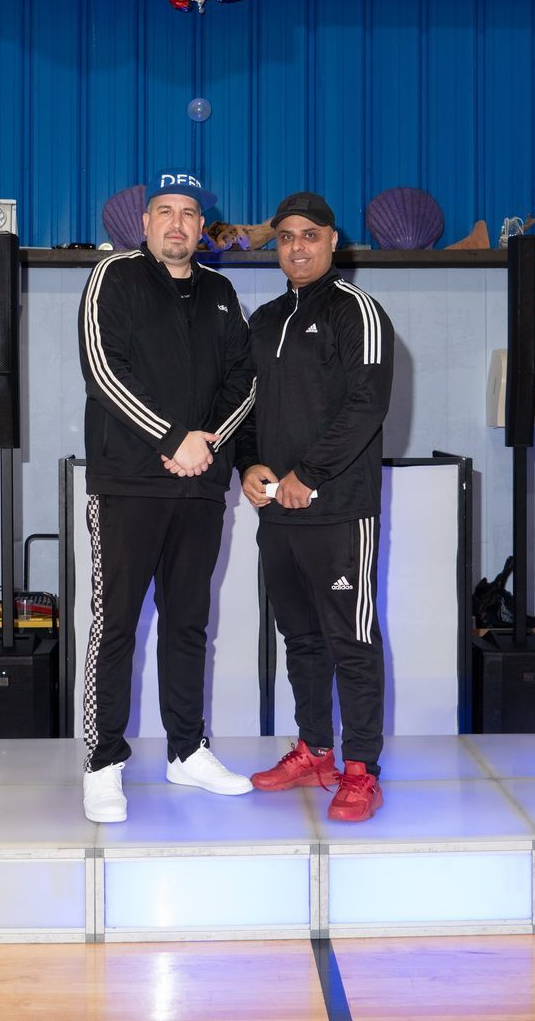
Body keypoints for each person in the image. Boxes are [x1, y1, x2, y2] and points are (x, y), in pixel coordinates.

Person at [77, 172, 258, 823]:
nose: (177, 224)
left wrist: (205, 446)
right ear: (146, 222)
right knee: (117, 622)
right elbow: (102, 368)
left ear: (200, 227)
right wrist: (171, 436)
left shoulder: (220, 291)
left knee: (188, 623)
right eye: (165, 212)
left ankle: (187, 750)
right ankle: (103, 763)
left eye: (189, 214)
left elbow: (245, 379)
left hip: (202, 487)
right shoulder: (114, 278)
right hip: (128, 483)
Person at [236, 192, 395, 822]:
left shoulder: (359, 312)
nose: (296, 247)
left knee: (350, 641)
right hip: (277, 513)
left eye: (309, 235)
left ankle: (361, 770)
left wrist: (311, 473)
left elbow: (367, 403)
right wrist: (246, 464)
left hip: (338, 511)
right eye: (285, 237)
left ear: (333, 241)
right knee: (299, 638)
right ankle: (315, 750)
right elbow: (244, 407)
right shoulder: (265, 320)